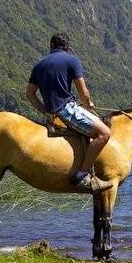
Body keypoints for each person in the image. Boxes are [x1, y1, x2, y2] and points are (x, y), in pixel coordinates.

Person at [26, 33, 112, 192]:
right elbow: (84, 93)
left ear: (51, 46)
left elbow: (30, 94)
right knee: (105, 133)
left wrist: (45, 111)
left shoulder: (39, 65)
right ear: (67, 46)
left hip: (52, 113)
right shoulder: (72, 60)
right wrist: (88, 105)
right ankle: (83, 175)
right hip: (67, 110)